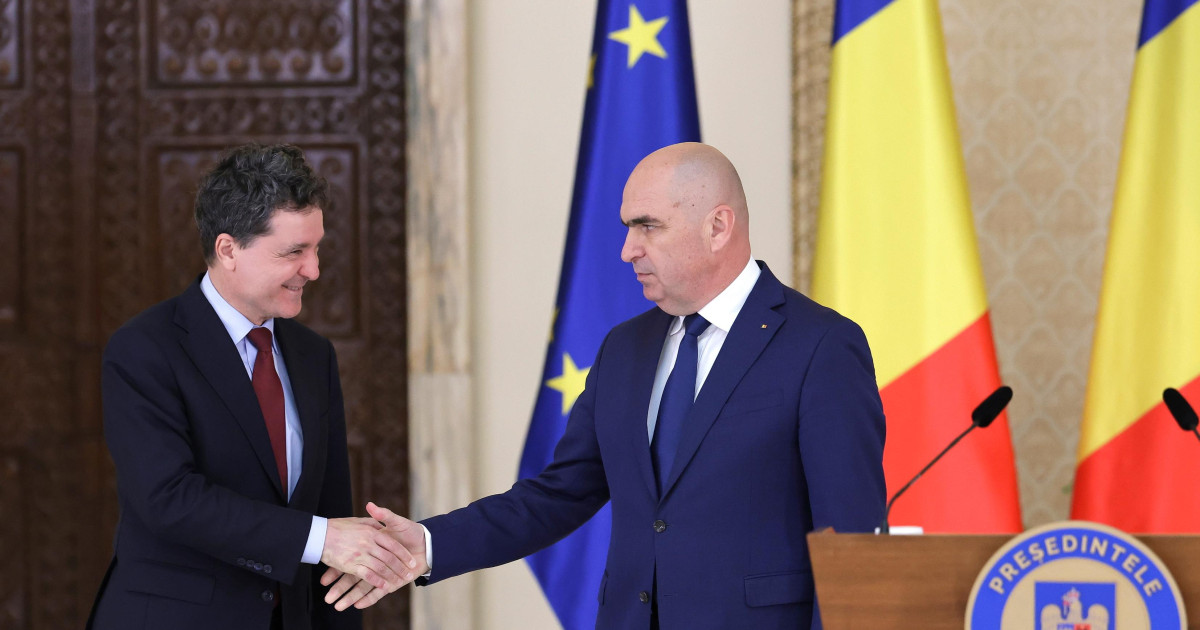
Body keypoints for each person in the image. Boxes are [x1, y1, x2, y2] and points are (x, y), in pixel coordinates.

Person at [335, 142, 887, 628]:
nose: (628, 249)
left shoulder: (820, 346)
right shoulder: (626, 347)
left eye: (648, 226)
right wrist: (429, 544)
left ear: (718, 227)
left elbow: (853, 546)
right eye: (627, 228)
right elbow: (559, 494)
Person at [87, 144, 418, 630]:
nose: (314, 269)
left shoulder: (314, 355)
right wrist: (320, 538)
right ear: (228, 250)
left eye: (316, 248)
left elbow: (332, 517)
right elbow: (168, 499)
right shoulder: (144, 349)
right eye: (294, 252)